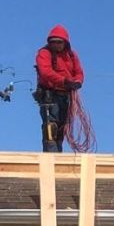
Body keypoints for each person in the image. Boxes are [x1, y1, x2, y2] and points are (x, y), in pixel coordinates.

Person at [33, 24, 83, 153]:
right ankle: (51, 157)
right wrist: (64, 81)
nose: (56, 45)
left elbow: (79, 72)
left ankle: (58, 156)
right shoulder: (44, 53)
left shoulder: (71, 55)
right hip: (50, 95)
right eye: (53, 42)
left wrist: (77, 82)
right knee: (51, 127)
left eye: (59, 42)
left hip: (66, 96)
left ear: (65, 43)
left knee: (62, 127)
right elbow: (45, 72)